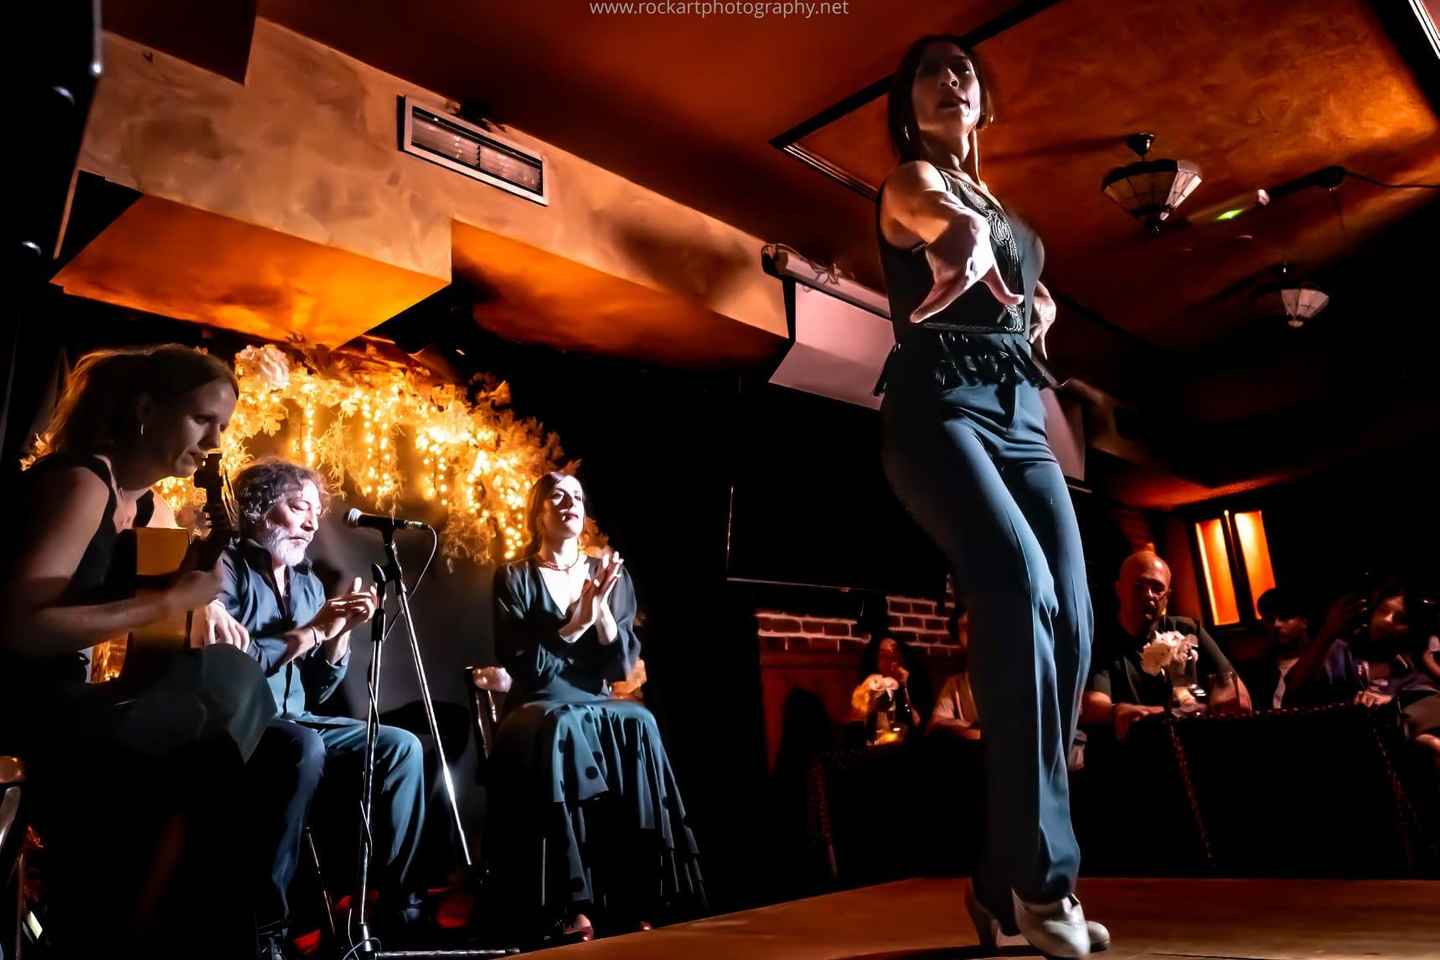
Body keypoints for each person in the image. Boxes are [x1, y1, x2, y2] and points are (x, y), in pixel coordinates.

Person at [874, 36, 1104, 957]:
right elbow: (928, 210)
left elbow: (1021, 285)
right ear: (907, 106)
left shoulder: (1008, 212)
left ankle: (994, 881)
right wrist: (957, 234)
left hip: (1022, 421)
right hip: (938, 410)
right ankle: (1044, 887)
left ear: (984, 101)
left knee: (1075, 621)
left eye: (962, 69)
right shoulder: (910, 182)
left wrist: (1037, 309)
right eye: (929, 72)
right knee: (1020, 589)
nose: (950, 79)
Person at [0, 344, 276, 959]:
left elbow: (157, 633)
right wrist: (168, 601)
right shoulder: (81, 483)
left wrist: (199, 606)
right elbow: (18, 628)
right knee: (211, 745)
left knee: (229, 741)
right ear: (146, 410)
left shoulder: (154, 507)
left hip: (85, 705)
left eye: (223, 427)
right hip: (26, 708)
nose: (214, 442)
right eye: (202, 419)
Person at [210, 457, 426, 958]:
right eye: (297, 507)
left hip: (299, 718)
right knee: (301, 746)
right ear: (258, 509)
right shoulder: (227, 566)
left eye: (315, 512)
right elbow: (234, 664)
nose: (310, 524)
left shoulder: (307, 582)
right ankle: (268, 928)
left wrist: (339, 636)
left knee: (400, 746)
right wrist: (313, 632)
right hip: (243, 723)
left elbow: (318, 691)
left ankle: (391, 904)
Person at [488, 472, 704, 941]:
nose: (570, 502)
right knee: (562, 724)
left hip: (595, 698)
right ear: (538, 514)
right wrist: (574, 625)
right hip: (540, 702)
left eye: (577, 497)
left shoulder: (609, 575)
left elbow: (621, 666)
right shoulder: (513, 577)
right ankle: (574, 903)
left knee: (640, 719)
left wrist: (601, 612)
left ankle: (638, 895)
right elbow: (525, 667)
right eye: (557, 496)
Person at [1081, 550, 1253, 738]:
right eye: (1139, 586)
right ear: (1119, 589)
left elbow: (1234, 690)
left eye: (1157, 588)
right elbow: (1093, 703)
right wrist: (1119, 711)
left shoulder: (1187, 630)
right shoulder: (1101, 639)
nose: (1149, 595)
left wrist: (1219, 703)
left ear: (1167, 596)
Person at [1284, 580, 1440, 766]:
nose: (1386, 620)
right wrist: (1327, 633)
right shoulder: (1339, 651)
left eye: (1400, 619)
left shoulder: (1412, 668)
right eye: (1383, 611)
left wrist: (1392, 701)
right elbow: (1293, 690)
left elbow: (1425, 704)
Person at [1245, 587, 1312, 710]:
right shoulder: (1258, 670)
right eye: (1269, 619)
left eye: (1285, 617)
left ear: (1304, 621)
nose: (1276, 624)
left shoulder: (1328, 657)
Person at [851, 632, 932, 732]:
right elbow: (858, 721)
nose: (889, 661)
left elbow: (915, 722)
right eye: (883, 655)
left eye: (893, 656)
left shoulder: (911, 683)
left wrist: (903, 686)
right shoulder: (869, 684)